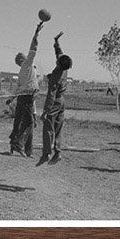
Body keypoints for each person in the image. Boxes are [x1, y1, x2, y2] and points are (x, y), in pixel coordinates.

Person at [9, 20, 43, 158]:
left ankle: (25, 149)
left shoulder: (23, 71)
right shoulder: (28, 64)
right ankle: (18, 144)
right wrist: (36, 33)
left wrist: (11, 98)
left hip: (23, 98)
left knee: (24, 123)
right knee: (29, 122)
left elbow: (17, 89)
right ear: (23, 59)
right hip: (28, 97)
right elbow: (33, 47)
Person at [37, 32, 72, 166]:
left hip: (55, 101)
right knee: (58, 128)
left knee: (47, 126)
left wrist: (46, 112)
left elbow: (51, 96)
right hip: (62, 101)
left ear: (58, 63)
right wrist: (56, 41)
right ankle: (58, 152)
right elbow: (59, 53)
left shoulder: (56, 76)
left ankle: (46, 154)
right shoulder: (64, 69)